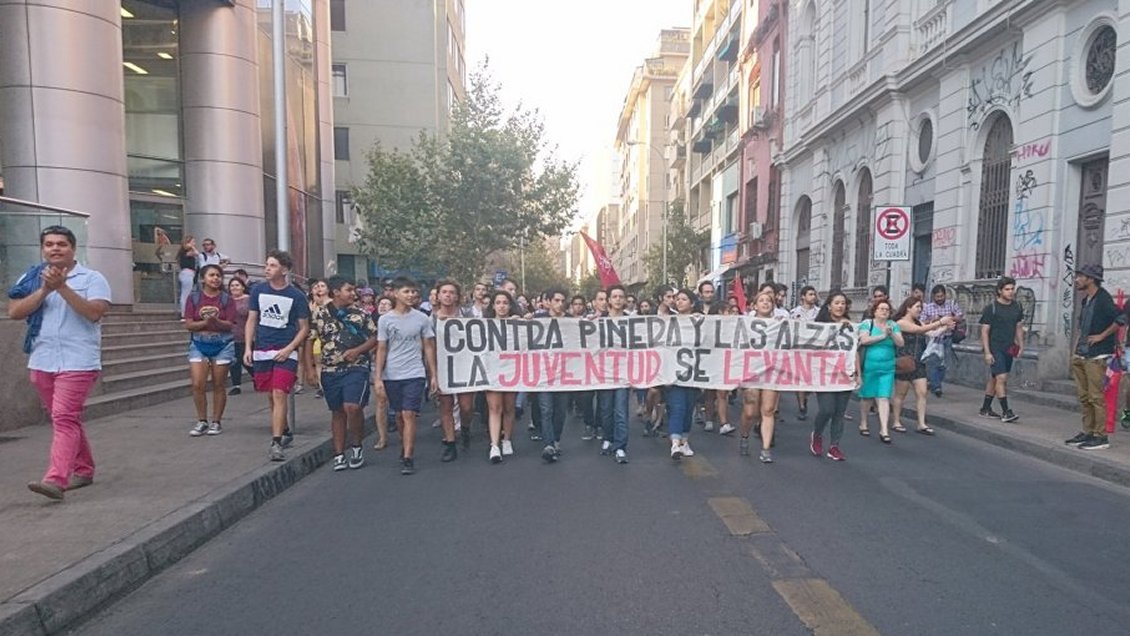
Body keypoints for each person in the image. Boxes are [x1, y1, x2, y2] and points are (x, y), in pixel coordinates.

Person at [10, 226, 111, 500]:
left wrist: (62, 288)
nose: (55, 248)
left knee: (64, 418)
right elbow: (15, 312)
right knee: (67, 419)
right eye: (49, 244)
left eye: (62, 244)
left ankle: (56, 479)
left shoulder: (92, 278)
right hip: (42, 359)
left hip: (79, 361)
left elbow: (94, 313)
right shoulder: (32, 277)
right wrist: (44, 290)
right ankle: (84, 469)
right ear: (43, 248)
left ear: (73, 249)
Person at [243, 250, 310, 462]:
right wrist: (248, 348)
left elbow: (304, 328)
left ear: (284, 269)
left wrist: (290, 348)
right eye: (266, 265)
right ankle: (285, 429)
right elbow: (252, 319)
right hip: (262, 349)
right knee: (271, 395)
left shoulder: (296, 296)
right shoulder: (258, 291)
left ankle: (276, 441)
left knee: (280, 392)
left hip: (285, 350)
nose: (267, 269)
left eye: (272, 265)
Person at [308, 276, 379, 471]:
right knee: (337, 411)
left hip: (356, 367)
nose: (353, 294)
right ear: (336, 291)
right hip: (330, 369)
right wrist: (309, 369)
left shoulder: (361, 314)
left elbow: (375, 338)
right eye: (349, 289)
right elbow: (309, 339)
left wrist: (358, 351)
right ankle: (339, 454)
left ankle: (356, 445)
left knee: (352, 407)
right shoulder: (319, 314)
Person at [374, 277, 439, 475]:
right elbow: (382, 348)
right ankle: (405, 445)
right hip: (392, 374)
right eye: (406, 291)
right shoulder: (385, 320)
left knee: (410, 413)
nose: (410, 295)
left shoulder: (422, 318)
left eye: (413, 292)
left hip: (415, 372)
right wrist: (377, 377)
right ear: (395, 293)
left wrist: (433, 374)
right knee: (400, 415)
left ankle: (409, 457)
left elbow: (429, 346)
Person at [1065, 265, 1121, 450]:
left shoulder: (1103, 299)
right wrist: (1074, 350)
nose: (1077, 280)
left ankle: (1100, 436)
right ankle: (1088, 431)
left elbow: (1120, 319)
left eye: (1080, 276)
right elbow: (1082, 327)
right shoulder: (1085, 300)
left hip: (1097, 355)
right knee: (1084, 396)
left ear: (1091, 279)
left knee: (1096, 396)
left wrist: (1101, 336)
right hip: (1082, 353)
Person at [184, 264, 237, 437]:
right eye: (211, 275)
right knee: (197, 383)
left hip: (223, 344)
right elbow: (189, 324)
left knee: (218, 383)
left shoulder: (226, 299)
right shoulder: (193, 298)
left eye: (218, 276)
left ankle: (216, 421)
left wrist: (217, 323)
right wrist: (205, 323)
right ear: (203, 278)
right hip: (199, 343)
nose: (215, 279)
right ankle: (201, 420)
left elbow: (230, 324)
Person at [891, 296, 953, 436]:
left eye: (920, 307)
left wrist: (944, 328)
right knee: (901, 394)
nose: (920, 310)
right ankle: (896, 421)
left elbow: (931, 333)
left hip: (918, 362)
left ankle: (921, 423)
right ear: (908, 308)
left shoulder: (918, 322)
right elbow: (920, 330)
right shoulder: (901, 323)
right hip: (905, 361)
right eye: (917, 307)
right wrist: (939, 322)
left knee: (922, 392)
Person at [810, 291, 857, 461]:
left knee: (839, 412)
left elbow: (854, 351)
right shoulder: (820, 326)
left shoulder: (850, 326)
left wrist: (857, 373)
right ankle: (817, 433)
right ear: (829, 306)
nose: (840, 306)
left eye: (843, 303)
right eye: (837, 303)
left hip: (844, 374)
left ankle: (834, 446)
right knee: (827, 409)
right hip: (824, 374)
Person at [433, 279, 475, 461]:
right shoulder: (431, 318)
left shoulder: (466, 315)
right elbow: (428, 345)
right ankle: (450, 444)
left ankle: (465, 428)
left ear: (457, 296)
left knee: (466, 407)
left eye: (451, 292)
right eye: (444, 292)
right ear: (438, 295)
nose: (448, 295)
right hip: (443, 366)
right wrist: (432, 373)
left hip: (464, 366)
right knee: (446, 405)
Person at [739, 291, 781, 463]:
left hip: (772, 371)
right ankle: (744, 435)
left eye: (769, 301)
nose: (765, 303)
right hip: (751, 371)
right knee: (750, 413)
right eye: (761, 300)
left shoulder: (780, 324)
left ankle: (765, 449)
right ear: (754, 306)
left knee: (768, 410)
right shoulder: (745, 324)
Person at [857, 298, 904, 444]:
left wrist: (891, 334)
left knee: (884, 397)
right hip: (869, 366)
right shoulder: (867, 324)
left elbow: (901, 343)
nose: (884, 311)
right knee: (867, 396)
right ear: (875, 311)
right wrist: (882, 335)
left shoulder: (893, 325)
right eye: (881, 309)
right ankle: (863, 422)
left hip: (887, 367)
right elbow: (864, 340)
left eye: (887, 310)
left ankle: (884, 429)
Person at [978, 276, 1024, 423]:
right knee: (1001, 378)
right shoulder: (991, 308)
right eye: (1007, 289)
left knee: (995, 378)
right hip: (995, 347)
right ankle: (1006, 412)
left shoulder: (1017, 307)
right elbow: (984, 331)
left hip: (1009, 347)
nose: (1011, 292)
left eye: (1012, 289)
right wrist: (987, 352)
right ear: (999, 291)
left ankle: (985, 408)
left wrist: (1021, 345)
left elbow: (1018, 327)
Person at [482, 289, 520, 463]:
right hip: (493, 371)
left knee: (509, 407)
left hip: (512, 370)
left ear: (510, 305)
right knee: (494, 408)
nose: (502, 306)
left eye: (505, 303)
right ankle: (494, 445)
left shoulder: (518, 324)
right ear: (493, 306)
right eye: (498, 303)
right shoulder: (484, 325)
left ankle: (507, 440)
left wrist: (522, 322)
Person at [597, 285, 632, 463]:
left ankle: (620, 446)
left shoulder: (633, 322)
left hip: (623, 373)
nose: (618, 299)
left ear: (625, 300)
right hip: (603, 373)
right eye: (614, 296)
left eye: (621, 296)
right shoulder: (597, 321)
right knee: (606, 410)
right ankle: (608, 438)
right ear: (609, 300)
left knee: (621, 411)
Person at [536, 288, 572, 462]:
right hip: (543, 373)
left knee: (560, 411)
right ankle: (549, 444)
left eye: (562, 300)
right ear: (548, 301)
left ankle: (556, 440)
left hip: (565, 373)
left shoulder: (571, 321)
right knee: (546, 409)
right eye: (556, 300)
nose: (559, 304)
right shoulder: (537, 320)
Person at [667, 289, 700, 459]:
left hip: (694, 373)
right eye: (677, 299)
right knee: (677, 407)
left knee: (689, 409)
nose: (679, 302)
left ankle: (684, 441)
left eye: (684, 299)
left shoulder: (701, 321)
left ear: (692, 303)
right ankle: (675, 444)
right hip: (674, 373)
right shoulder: (668, 321)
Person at [920, 284, 964, 397]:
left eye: (941, 296)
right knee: (933, 361)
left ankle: (935, 382)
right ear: (933, 297)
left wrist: (948, 318)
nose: (940, 298)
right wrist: (934, 321)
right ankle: (936, 386)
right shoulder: (928, 307)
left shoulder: (951, 304)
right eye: (937, 297)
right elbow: (922, 322)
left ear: (945, 295)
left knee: (944, 363)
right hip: (933, 338)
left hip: (947, 337)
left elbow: (960, 317)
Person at [790, 285, 820, 421]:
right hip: (800, 351)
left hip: (814, 351)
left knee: (810, 380)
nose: (813, 297)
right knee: (800, 380)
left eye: (814, 294)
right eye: (810, 294)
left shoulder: (819, 313)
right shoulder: (794, 312)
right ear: (803, 296)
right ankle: (801, 405)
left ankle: (806, 396)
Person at [227, 277, 253, 395]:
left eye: (237, 285)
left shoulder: (249, 300)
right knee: (234, 362)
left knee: (248, 360)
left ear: (243, 287)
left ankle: (257, 377)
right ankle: (236, 385)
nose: (234, 288)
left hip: (247, 335)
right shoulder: (227, 300)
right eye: (232, 286)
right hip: (231, 336)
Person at [176, 236, 198, 316]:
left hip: (188, 273)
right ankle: (184, 313)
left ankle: (185, 312)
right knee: (186, 294)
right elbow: (196, 253)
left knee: (187, 293)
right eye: (193, 242)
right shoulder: (186, 252)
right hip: (187, 273)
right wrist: (192, 246)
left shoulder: (183, 252)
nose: (194, 244)